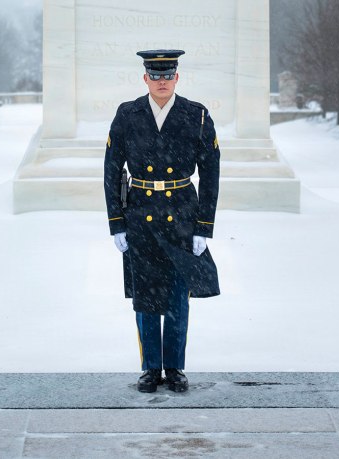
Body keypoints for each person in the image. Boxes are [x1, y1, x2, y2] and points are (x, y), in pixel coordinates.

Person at [103, 50, 220, 393]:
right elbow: (111, 170)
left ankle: (175, 367)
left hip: (181, 216)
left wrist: (203, 227)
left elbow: (211, 174)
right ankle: (151, 368)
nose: (162, 81)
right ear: (145, 79)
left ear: (177, 77)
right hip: (140, 216)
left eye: (168, 75)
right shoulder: (128, 114)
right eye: (155, 76)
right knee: (146, 296)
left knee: (177, 298)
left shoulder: (196, 115)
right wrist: (116, 222)